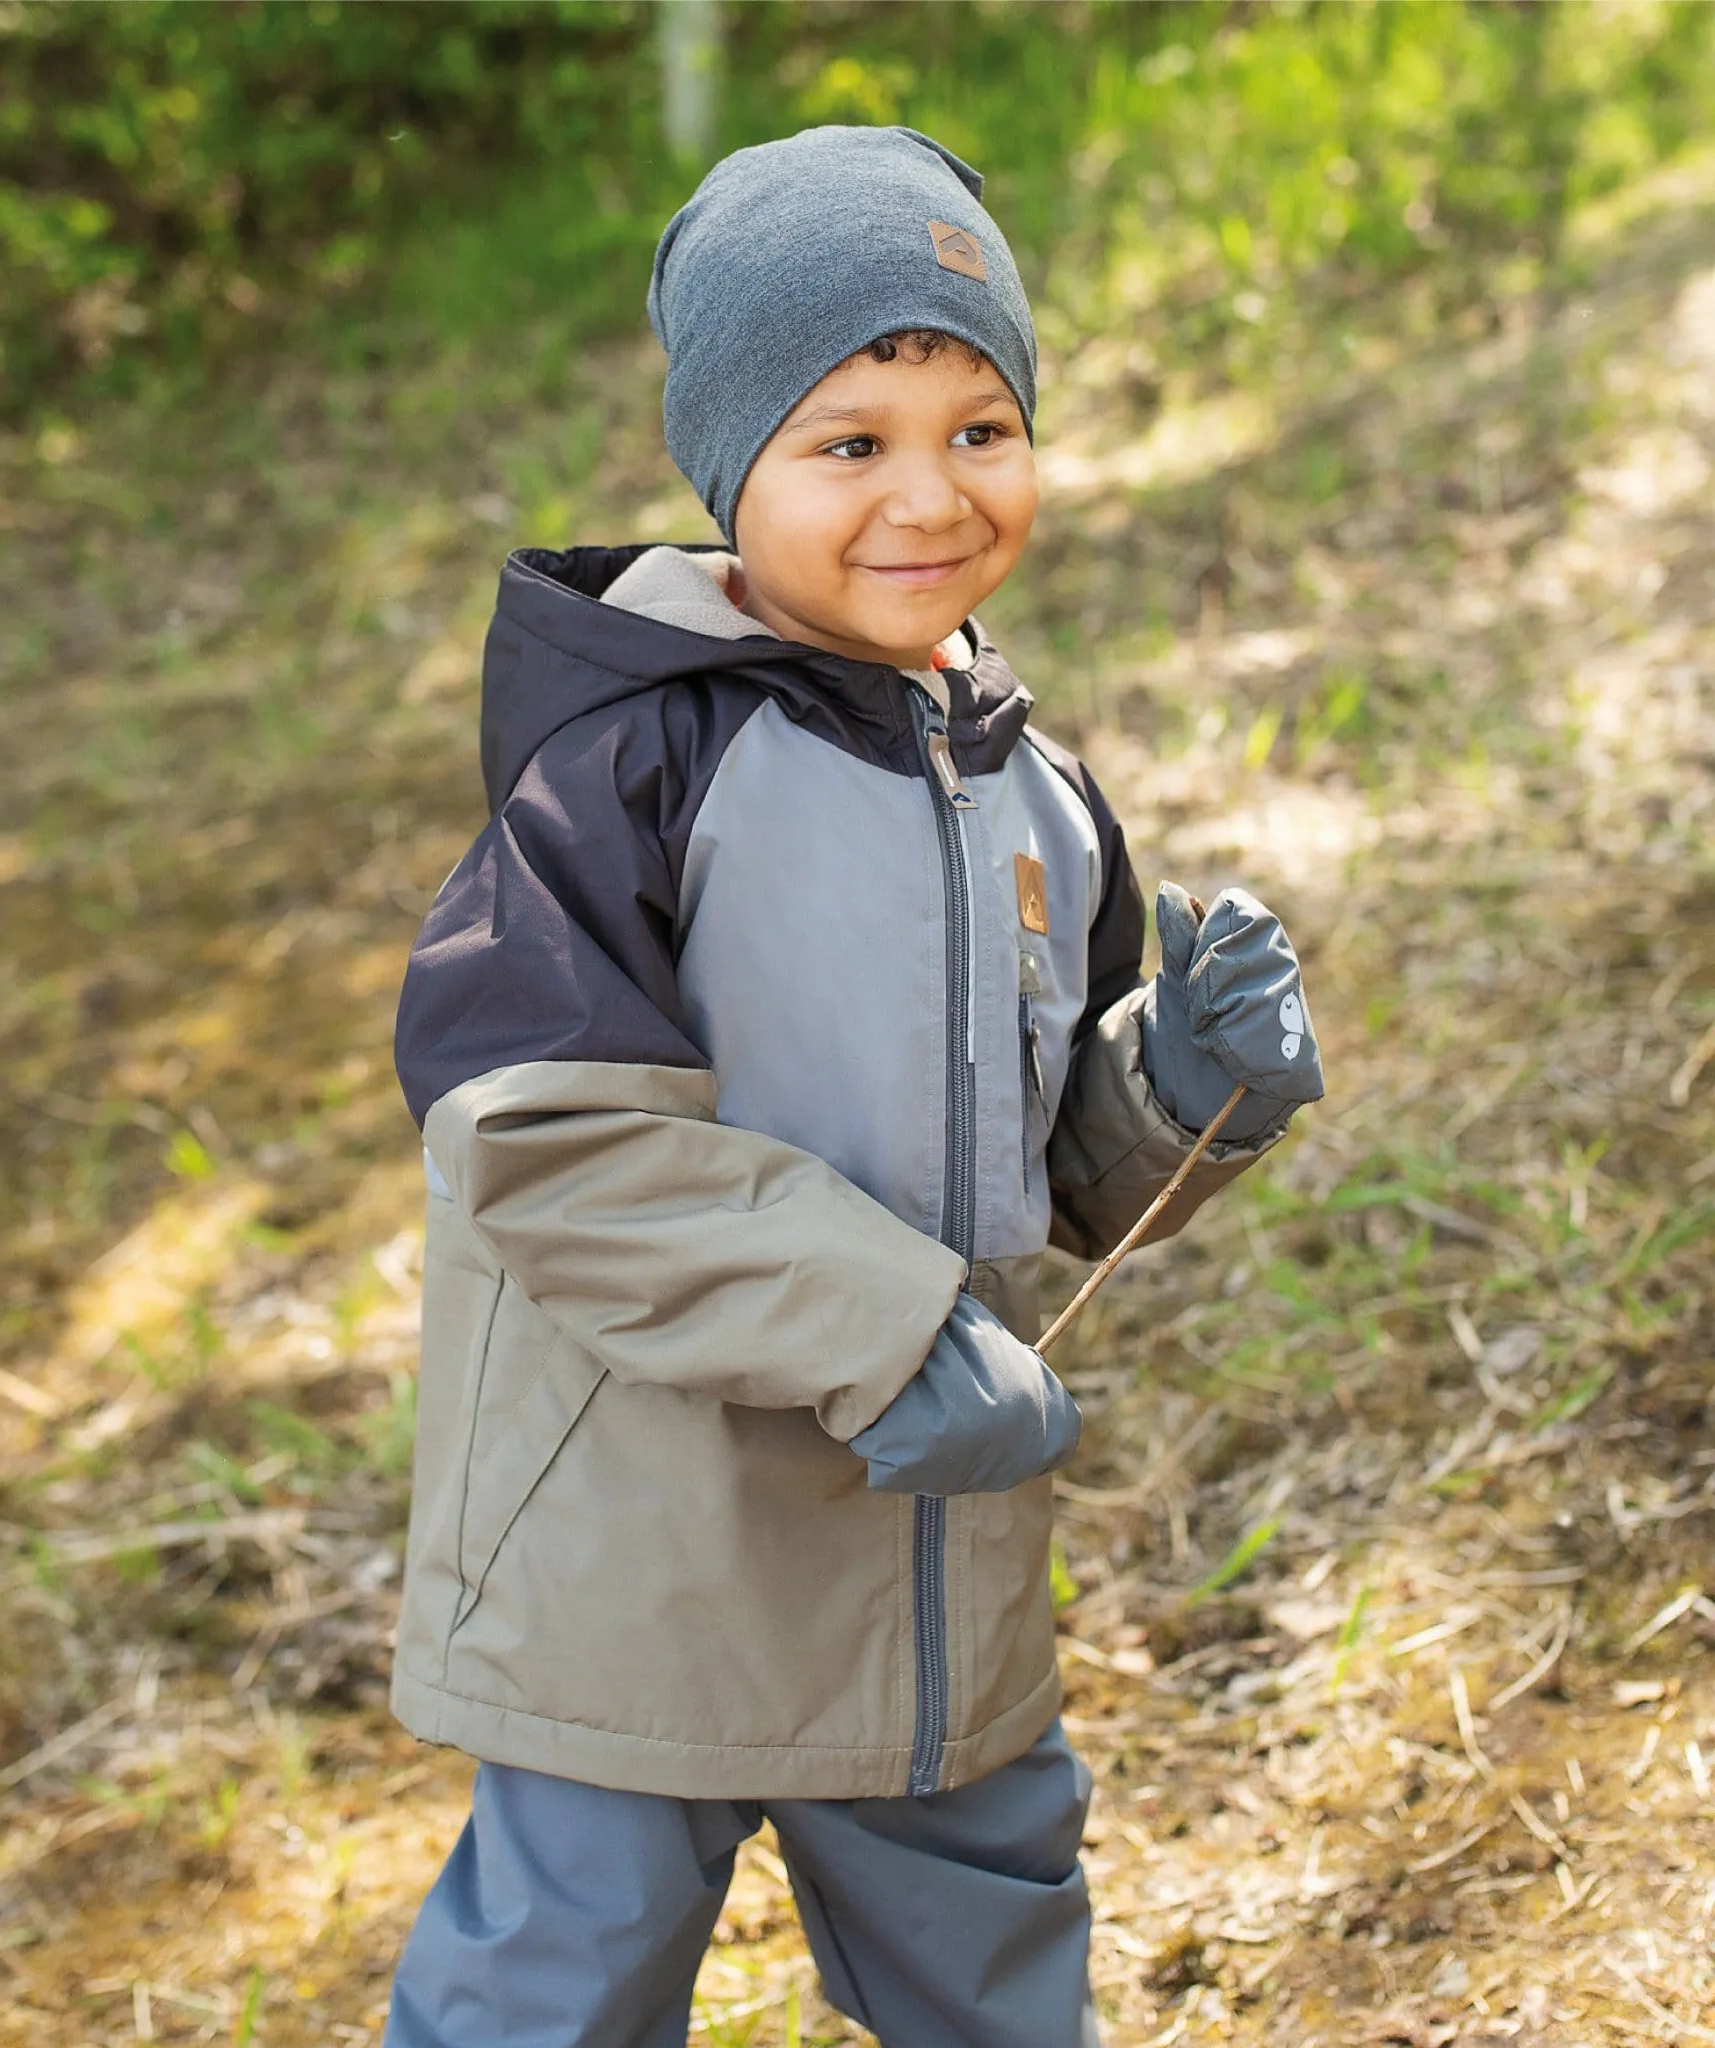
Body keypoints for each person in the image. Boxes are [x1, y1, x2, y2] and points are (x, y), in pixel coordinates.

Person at [382, 124, 1324, 2048]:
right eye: (850, 443)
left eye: (982, 428)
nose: (929, 495)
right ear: (734, 471)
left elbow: (1046, 1165)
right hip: (639, 1537)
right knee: (566, 1971)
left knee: (991, 1943)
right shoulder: (631, 772)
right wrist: (894, 1327)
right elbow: (546, 1149)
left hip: (926, 1551)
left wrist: (1186, 1090)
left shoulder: (1030, 788)